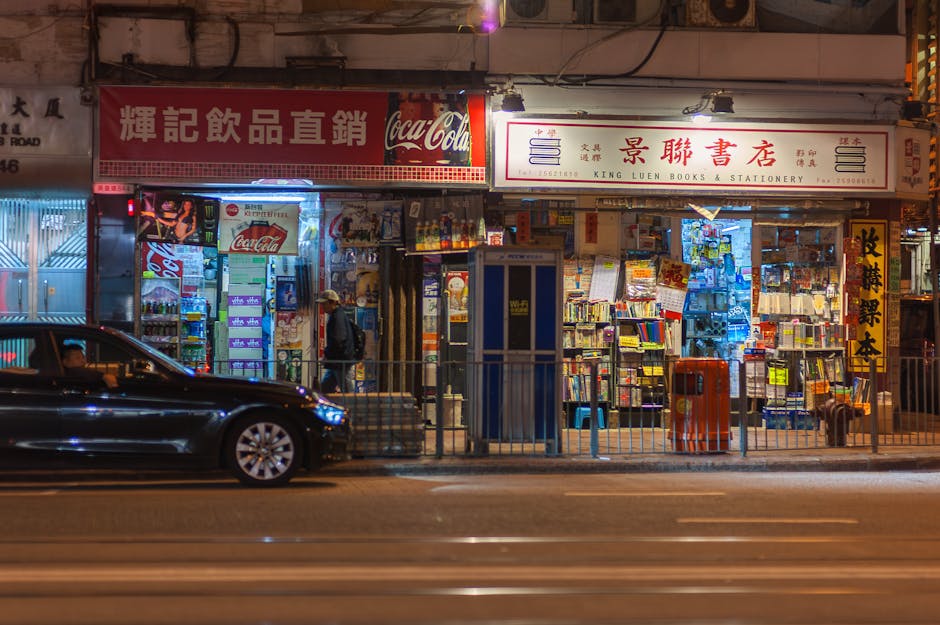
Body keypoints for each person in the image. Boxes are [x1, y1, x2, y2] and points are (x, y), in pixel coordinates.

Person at [317, 289, 355, 394]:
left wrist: (327, 354)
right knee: (325, 389)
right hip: (336, 361)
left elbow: (338, 339)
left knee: (347, 392)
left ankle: (353, 409)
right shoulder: (337, 315)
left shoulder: (337, 317)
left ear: (332, 303)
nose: (322, 307)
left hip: (341, 361)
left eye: (324, 304)